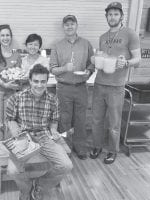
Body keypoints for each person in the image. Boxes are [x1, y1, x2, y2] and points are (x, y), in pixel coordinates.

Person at [6, 64, 73, 200]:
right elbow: (10, 119)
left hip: (44, 137)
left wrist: (53, 130)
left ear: (47, 82)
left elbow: (54, 121)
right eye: (36, 81)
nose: (39, 85)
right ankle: (26, 189)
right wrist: (14, 128)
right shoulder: (16, 98)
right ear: (30, 81)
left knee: (66, 166)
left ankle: (40, 185)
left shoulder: (53, 99)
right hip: (23, 138)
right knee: (12, 171)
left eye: (43, 81)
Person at [90, 2, 141, 164]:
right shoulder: (103, 37)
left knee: (113, 122)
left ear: (121, 16)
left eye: (115, 14)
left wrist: (126, 62)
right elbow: (103, 58)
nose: (112, 17)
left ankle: (112, 150)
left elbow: (138, 60)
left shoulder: (130, 34)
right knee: (96, 119)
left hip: (116, 86)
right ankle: (97, 146)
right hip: (99, 84)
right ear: (106, 17)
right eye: (110, 14)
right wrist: (94, 60)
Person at [49, 15, 95, 160]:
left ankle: (80, 148)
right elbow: (52, 69)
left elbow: (91, 63)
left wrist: (89, 70)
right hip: (63, 88)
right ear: (63, 27)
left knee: (81, 119)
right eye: (66, 24)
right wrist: (65, 68)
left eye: (72, 24)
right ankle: (65, 148)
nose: (69, 26)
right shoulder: (57, 45)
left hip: (81, 87)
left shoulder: (86, 44)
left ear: (76, 25)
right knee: (64, 119)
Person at [0, 24, 22, 141]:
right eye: (2, 35)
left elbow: (18, 74)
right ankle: (0, 152)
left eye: (7, 35)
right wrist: (4, 84)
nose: (5, 38)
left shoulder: (17, 55)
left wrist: (18, 82)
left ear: (11, 37)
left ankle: (8, 152)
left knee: (9, 124)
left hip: (11, 93)